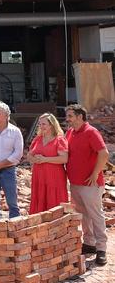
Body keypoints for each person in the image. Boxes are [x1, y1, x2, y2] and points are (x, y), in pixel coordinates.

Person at [65, 104, 109, 266]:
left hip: (91, 183)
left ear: (79, 116)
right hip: (75, 182)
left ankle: (101, 249)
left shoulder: (91, 132)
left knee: (96, 215)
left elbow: (104, 153)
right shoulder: (70, 132)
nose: (67, 119)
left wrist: (95, 173)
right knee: (84, 215)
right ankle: (89, 244)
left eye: (70, 116)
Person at [26, 113, 68, 214]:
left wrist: (45, 159)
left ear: (52, 125)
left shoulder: (59, 140)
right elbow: (28, 155)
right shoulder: (38, 139)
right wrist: (34, 159)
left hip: (54, 176)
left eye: (44, 124)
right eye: (40, 124)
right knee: (40, 198)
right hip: (39, 175)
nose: (41, 126)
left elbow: (64, 159)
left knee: (54, 200)